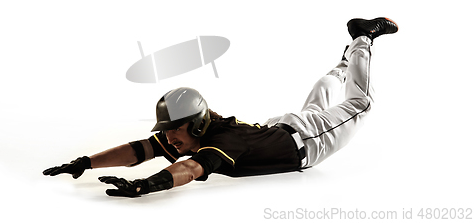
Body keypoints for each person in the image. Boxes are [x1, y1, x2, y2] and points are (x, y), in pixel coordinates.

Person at [43, 17, 398, 197]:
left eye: (173, 131)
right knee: (324, 87)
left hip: (309, 142)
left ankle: (363, 37)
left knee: (360, 102)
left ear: (195, 125)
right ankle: (348, 58)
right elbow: (140, 149)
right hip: (286, 127)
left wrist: (145, 186)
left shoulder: (219, 142)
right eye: (166, 131)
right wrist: (85, 163)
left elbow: (191, 170)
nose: (168, 138)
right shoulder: (190, 135)